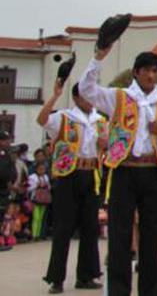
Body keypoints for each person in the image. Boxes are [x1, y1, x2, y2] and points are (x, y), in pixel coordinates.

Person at [79, 47, 157, 296]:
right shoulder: (120, 97)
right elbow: (87, 90)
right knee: (120, 235)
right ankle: (117, 290)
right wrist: (97, 58)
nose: (151, 75)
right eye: (146, 70)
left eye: (155, 71)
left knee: (151, 233)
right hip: (124, 170)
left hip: (152, 170)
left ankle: (152, 289)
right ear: (136, 73)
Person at [38, 81, 107, 292]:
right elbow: (42, 120)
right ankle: (56, 278)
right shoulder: (65, 117)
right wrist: (55, 96)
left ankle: (86, 275)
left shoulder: (100, 121)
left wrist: (105, 144)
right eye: (86, 96)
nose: (90, 100)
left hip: (91, 174)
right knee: (63, 228)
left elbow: (109, 146)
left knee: (89, 227)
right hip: (68, 176)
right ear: (77, 98)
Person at [0, 130, 15, 252]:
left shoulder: (6, 153)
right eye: (5, 140)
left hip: (4, 190)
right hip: (1, 188)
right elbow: (3, 172)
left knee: (1, 217)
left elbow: (11, 171)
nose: (7, 142)